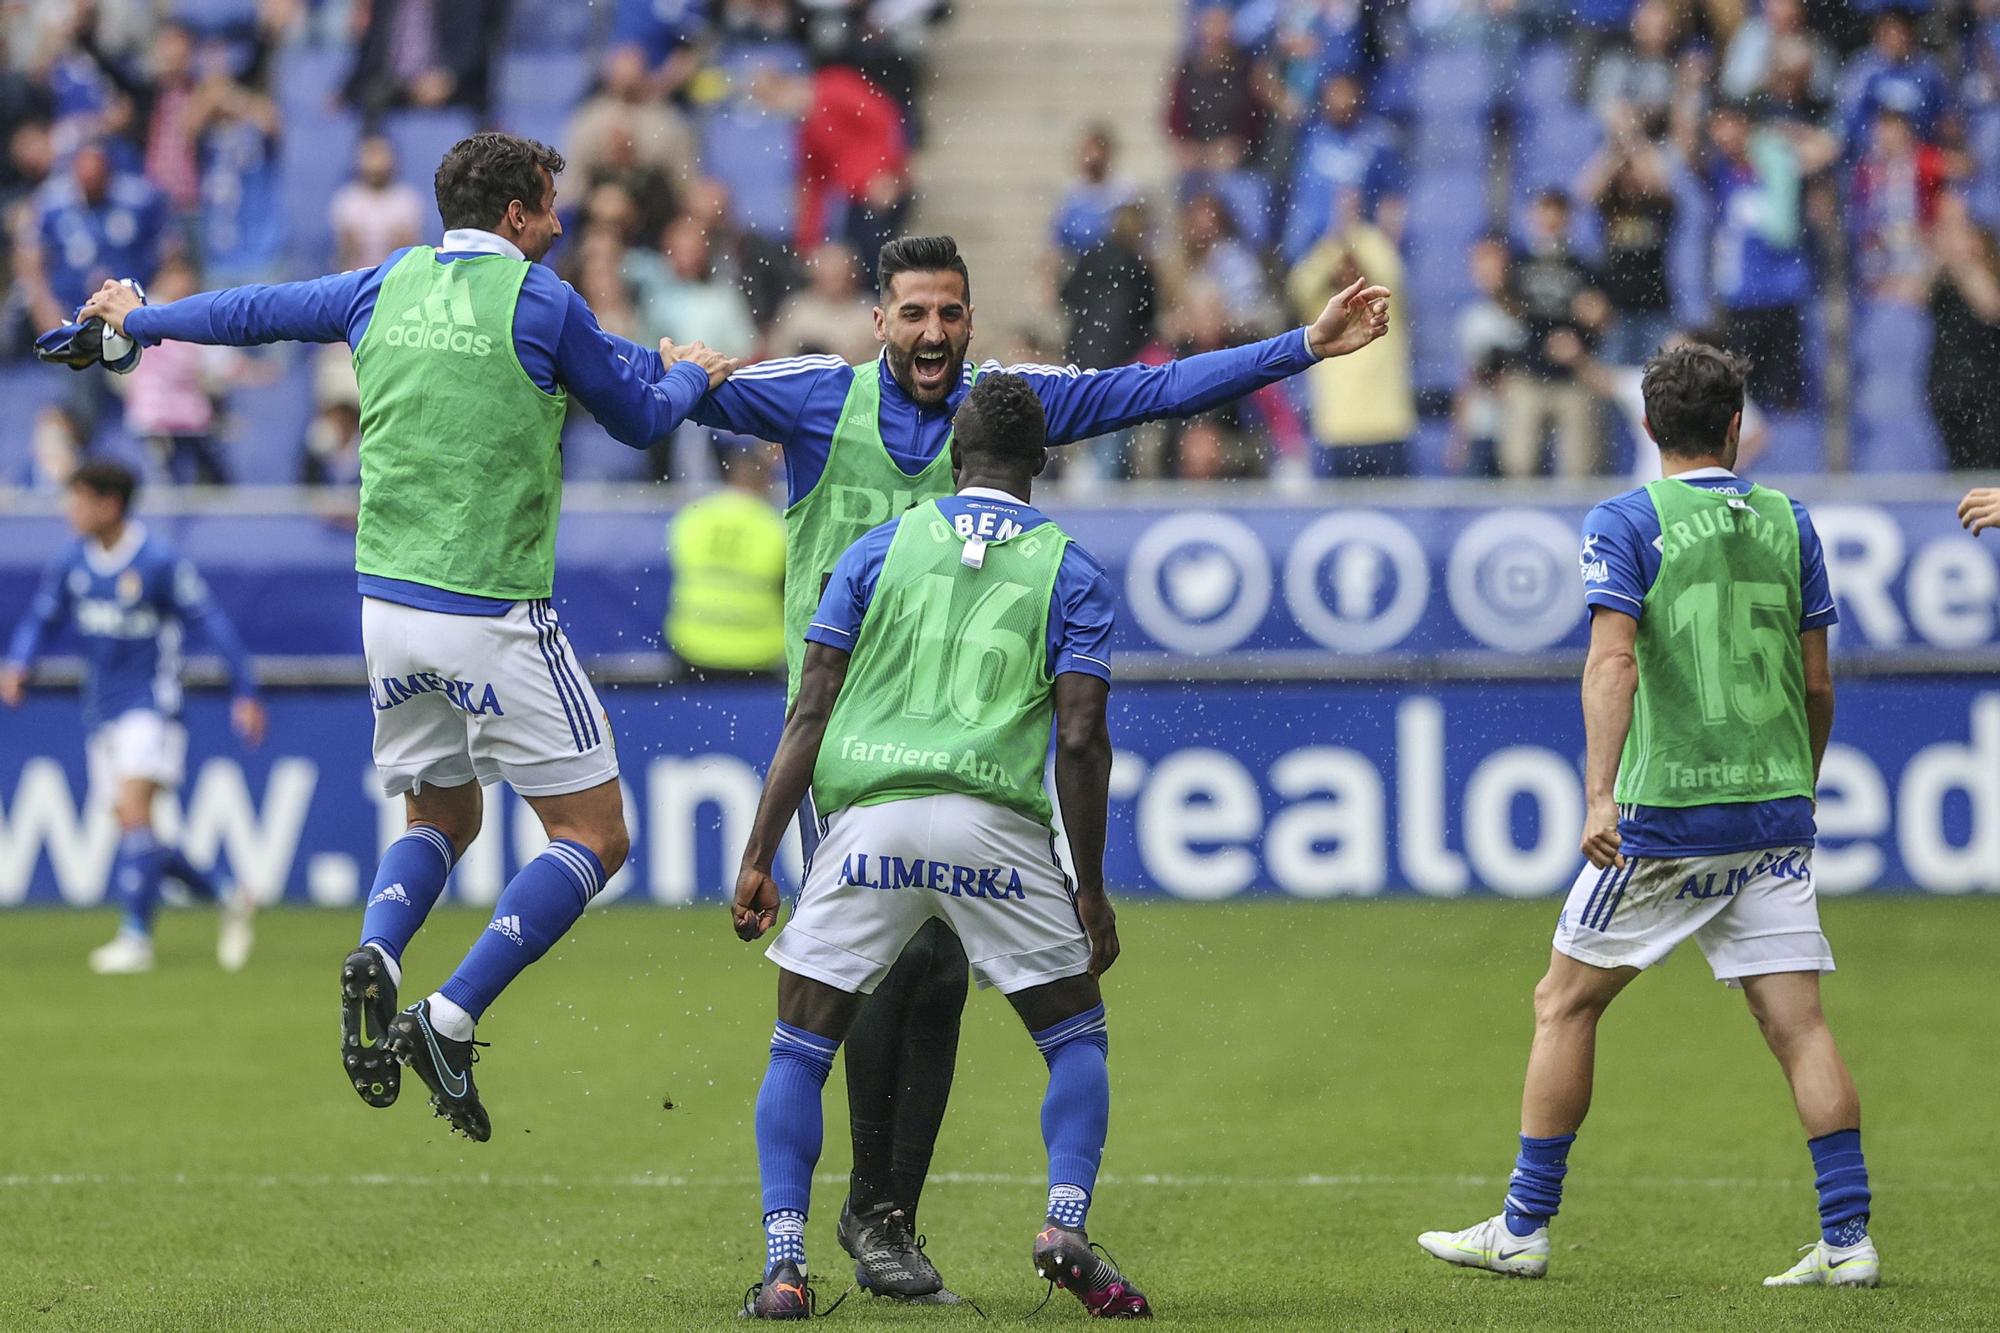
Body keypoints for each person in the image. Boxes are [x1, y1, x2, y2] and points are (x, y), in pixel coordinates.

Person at [639, 232, 1387, 1298]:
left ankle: (875, 1211)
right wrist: (667, 371)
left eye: (949, 313)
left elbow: (1158, 389)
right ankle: (874, 1211)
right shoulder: (811, 397)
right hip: (847, 741)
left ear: (971, 320)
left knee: (932, 969)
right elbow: (665, 398)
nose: (932, 334)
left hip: (956, 743)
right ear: (878, 321)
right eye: (913, 314)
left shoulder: (1008, 405)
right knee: (887, 972)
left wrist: (1299, 348)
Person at [67, 132, 736, 1140]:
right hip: (494, 613)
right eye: (548, 205)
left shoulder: (386, 282)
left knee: (444, 818)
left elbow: (255, 313)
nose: (558, 223)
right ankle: (450, 1015)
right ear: (514, 212)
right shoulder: (542, 300)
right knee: (596, 835)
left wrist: (141, 319)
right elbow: (641, 417)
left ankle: (380, 950)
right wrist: (688, 374)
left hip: (388, 611)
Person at [1417, 344, 1878, 1290]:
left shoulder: (1627, 518)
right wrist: (1796, 783)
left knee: (1563, 1001)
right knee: (1799, 1026)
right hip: (1772, 810)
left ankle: (1522, 1226)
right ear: (1737, 427)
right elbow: (1818, 682)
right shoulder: (1792, 521)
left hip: (1667, 815)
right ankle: (1848, 1238)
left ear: (1646, 426)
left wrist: (1598, 794)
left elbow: (1613, 662)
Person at [730, 374, 1147, 1320]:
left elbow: (812, 707)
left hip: (870, 816)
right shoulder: (1071, 570)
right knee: (1076, 1038)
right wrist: (1087, 886)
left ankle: (787, 1265)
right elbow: (1081, 738)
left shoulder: (878, 546)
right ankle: (1063, 1222)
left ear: (954, 461)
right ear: (1041, 465)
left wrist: (760, 854)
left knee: (799, 1047)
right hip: (991, 825)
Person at [1, 461, 263, 975]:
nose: (68, 509)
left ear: (110, 504)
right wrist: (19, 662)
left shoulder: (157, 560)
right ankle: (229, 895)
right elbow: (42, 617)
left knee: (134, 811)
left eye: (77, 499)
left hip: (153, 706)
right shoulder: (72, 559)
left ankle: (135, 938)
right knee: (136, 831)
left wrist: (245, 690)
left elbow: (210, 620)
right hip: (100, 710)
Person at [664, 441, 786, 679]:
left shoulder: (691, 518)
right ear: (766, 482)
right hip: (757, 652)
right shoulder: (776, 527)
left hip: (694, 645)